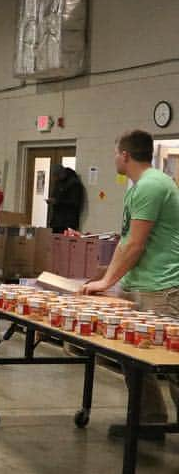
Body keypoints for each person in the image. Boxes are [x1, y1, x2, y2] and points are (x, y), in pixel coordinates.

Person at [83, 130, 179, 440]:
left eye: (114, 153)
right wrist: (108, 280)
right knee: (129, 353)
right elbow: (125, 241)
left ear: (125, 155)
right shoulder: (138, 187)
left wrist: (107, 281)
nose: (114, 159)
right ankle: (150, 420)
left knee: (170, 360)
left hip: (161, 286)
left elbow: (136, 244)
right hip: (138, 282)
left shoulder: (152, 186)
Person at [47, 166, 85, 233]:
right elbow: (55, 196)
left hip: (68, 222)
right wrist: (52, 200)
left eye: (56, 176)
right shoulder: (58, 182)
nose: (55, 179)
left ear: (62, 173)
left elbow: (75, 203)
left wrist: (57, 202)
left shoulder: (74, 183)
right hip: (56, 221)